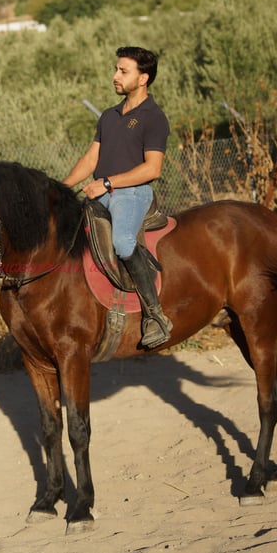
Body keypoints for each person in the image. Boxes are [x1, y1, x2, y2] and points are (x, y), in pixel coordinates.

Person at [63, 46, 172, 348]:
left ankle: (155, 316)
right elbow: (90, 159)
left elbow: (153, 168)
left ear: (143, 78)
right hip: (102, 190)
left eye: (123, 71)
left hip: (132, 193)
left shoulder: (153, 117)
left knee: (123, 242)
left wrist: (108, 183)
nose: (115, 75)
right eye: (116, 69)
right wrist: (61, 188)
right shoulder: (109, 116)